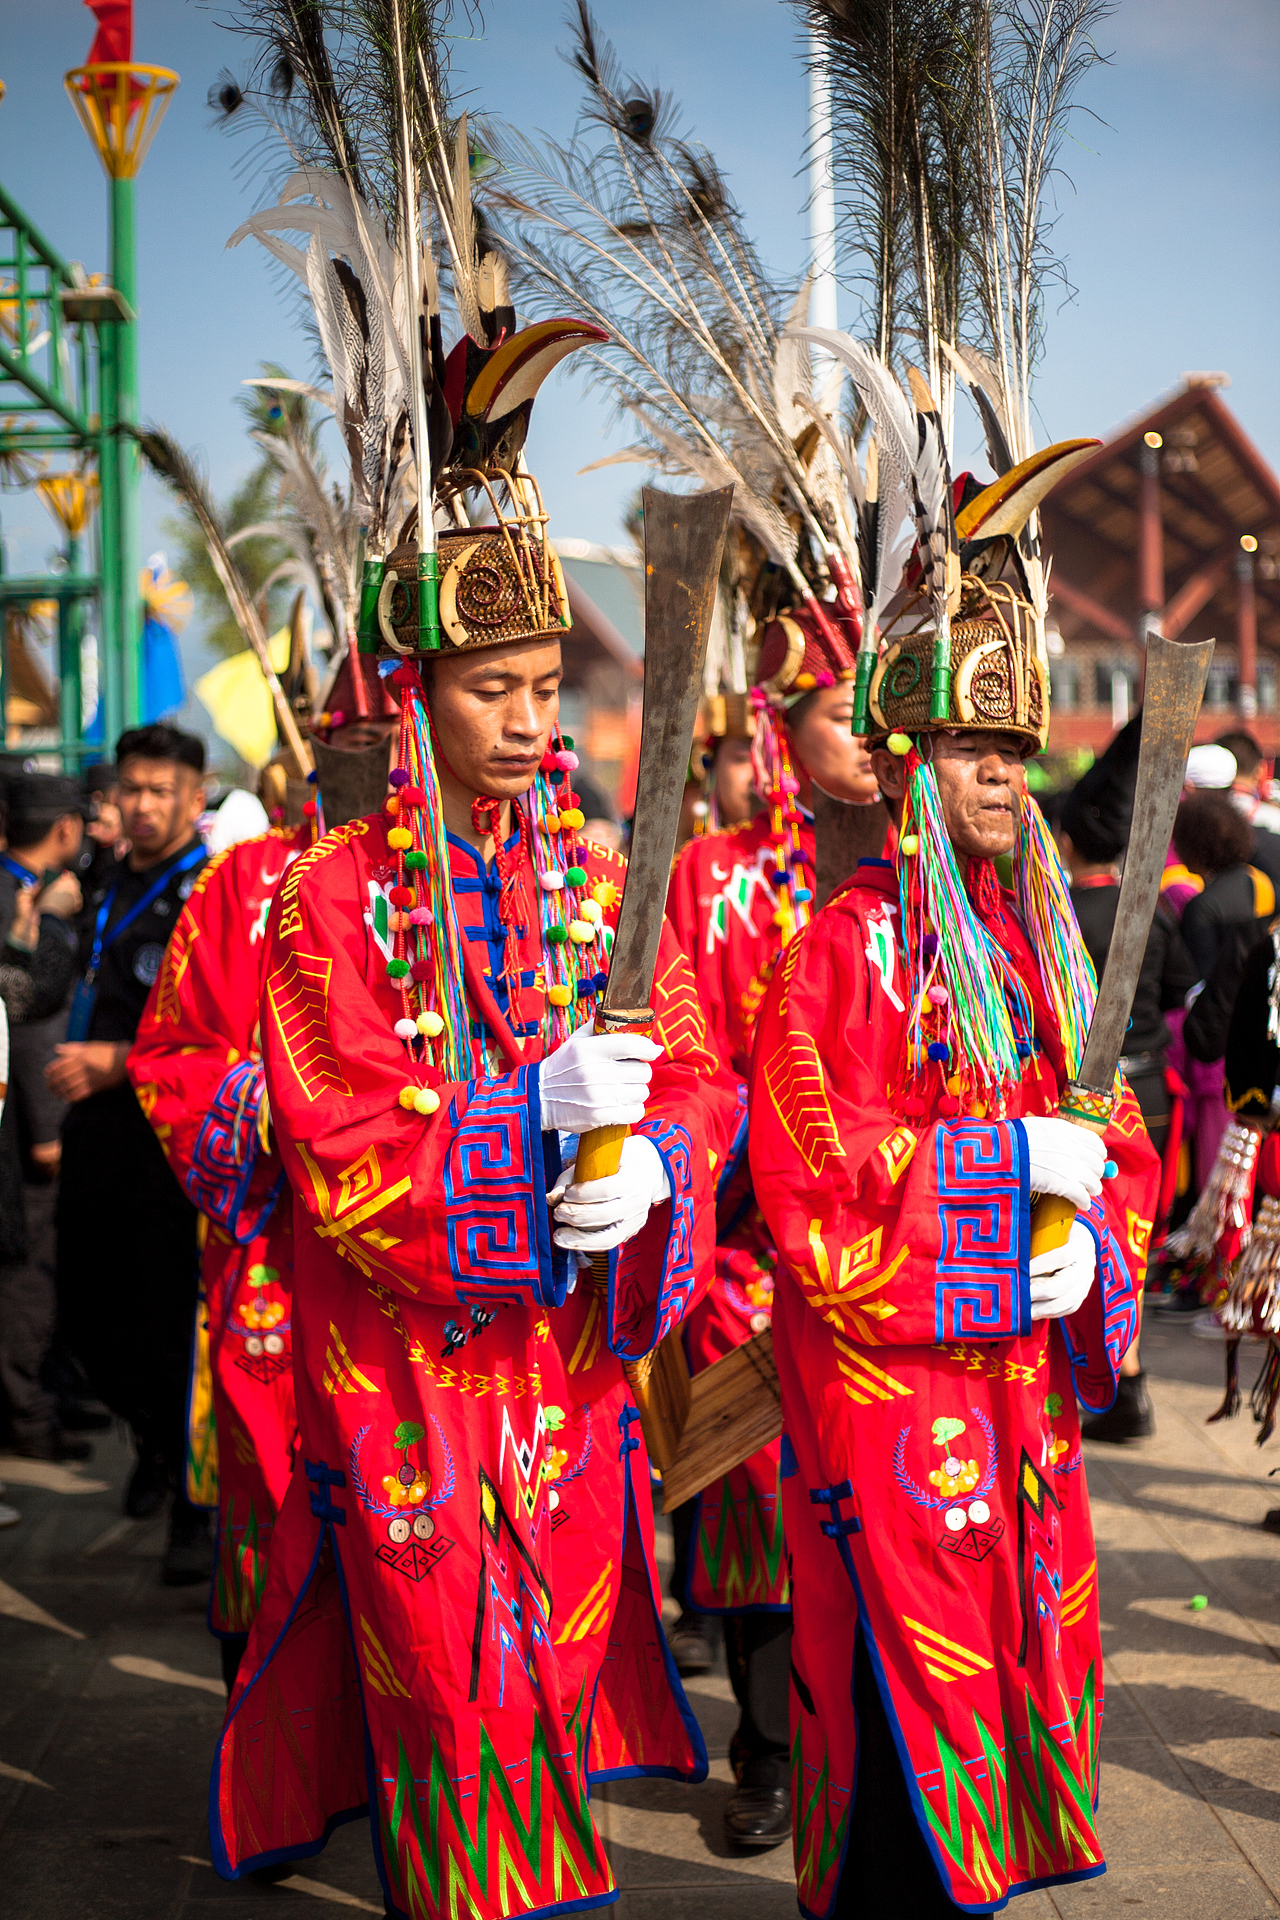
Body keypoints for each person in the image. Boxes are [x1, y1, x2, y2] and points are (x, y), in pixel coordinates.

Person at [748, 350, 1159, 1914]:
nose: (1005, 775)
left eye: (1019, 750)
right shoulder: (845, 949)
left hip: (1021, 1400)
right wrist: (999, 1185)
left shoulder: (1042, 947)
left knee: (1015, 1686)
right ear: (908, 757)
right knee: (900, 1733)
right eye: (975, 750)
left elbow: (1116, 1136)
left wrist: (1096, 1241)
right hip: (891, 1406)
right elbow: (814, 1189)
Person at [664, 603, 885, 1851]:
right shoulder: (712, 874)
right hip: (752, 1244)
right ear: (775, 724)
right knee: (755, 1493)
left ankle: (879, 1748)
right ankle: (766, 1750)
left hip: (902, 1235)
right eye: (839, 715)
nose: (865, 737)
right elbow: (686, 1056)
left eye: (876, 713)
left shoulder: (922, 875)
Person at [50, 725, 210, 1580]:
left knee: (168, 1323)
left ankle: (193, 1508)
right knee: (85, 1315)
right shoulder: (102, 879)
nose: (141, 806)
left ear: (195, 795)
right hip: (95, 1132)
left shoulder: (213, 892)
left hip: (170, 1141)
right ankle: (148, 1437)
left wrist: (122, 1062)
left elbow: (226, 1033)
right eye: (131, 790)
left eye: (160, 791)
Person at [1057, 744, 1198, 1440]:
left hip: (1089, 1097)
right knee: (1134, 1233)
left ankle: (1114, 1380)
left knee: (1089, 1232)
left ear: (1065, 839)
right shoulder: (1154, 909)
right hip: (1153, 1090)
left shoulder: (1057, 914)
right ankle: (1124, 1379)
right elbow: (1178, 991)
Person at [0, 775, 90, 1463]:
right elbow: (23, 1014)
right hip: (23, 1122)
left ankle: (45, 1393)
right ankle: (26, 1415)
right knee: (27, 1272)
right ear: (65, 828)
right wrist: (45, 1130)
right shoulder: (19, 899)